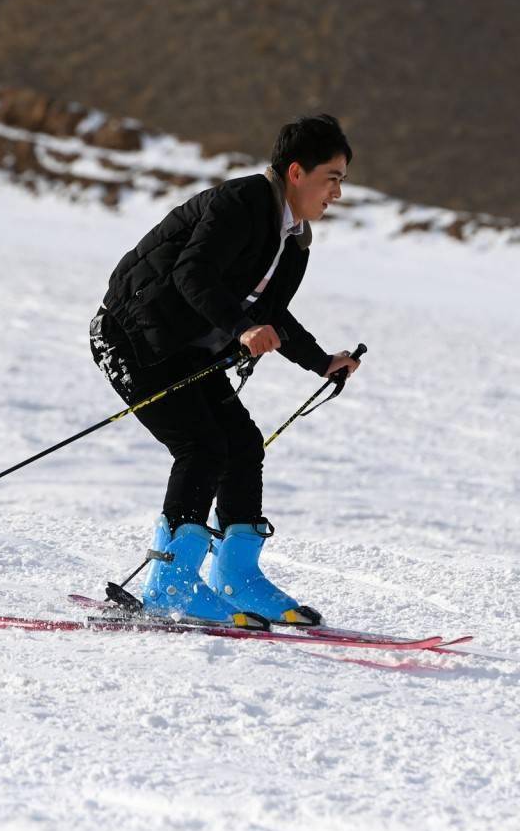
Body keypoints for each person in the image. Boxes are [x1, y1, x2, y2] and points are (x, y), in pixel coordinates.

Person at [90, 114, 360, 626]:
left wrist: (321, 361)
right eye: (334, 178)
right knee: (202, 446)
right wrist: (240, 328)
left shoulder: (294, 240)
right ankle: (170, 584)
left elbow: (271, 311)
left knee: (241, 443)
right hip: (132, 340)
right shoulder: (241, 203)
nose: (337, 194)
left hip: (184, 350)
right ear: (297, 172)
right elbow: (192, 273)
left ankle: (237, 578)